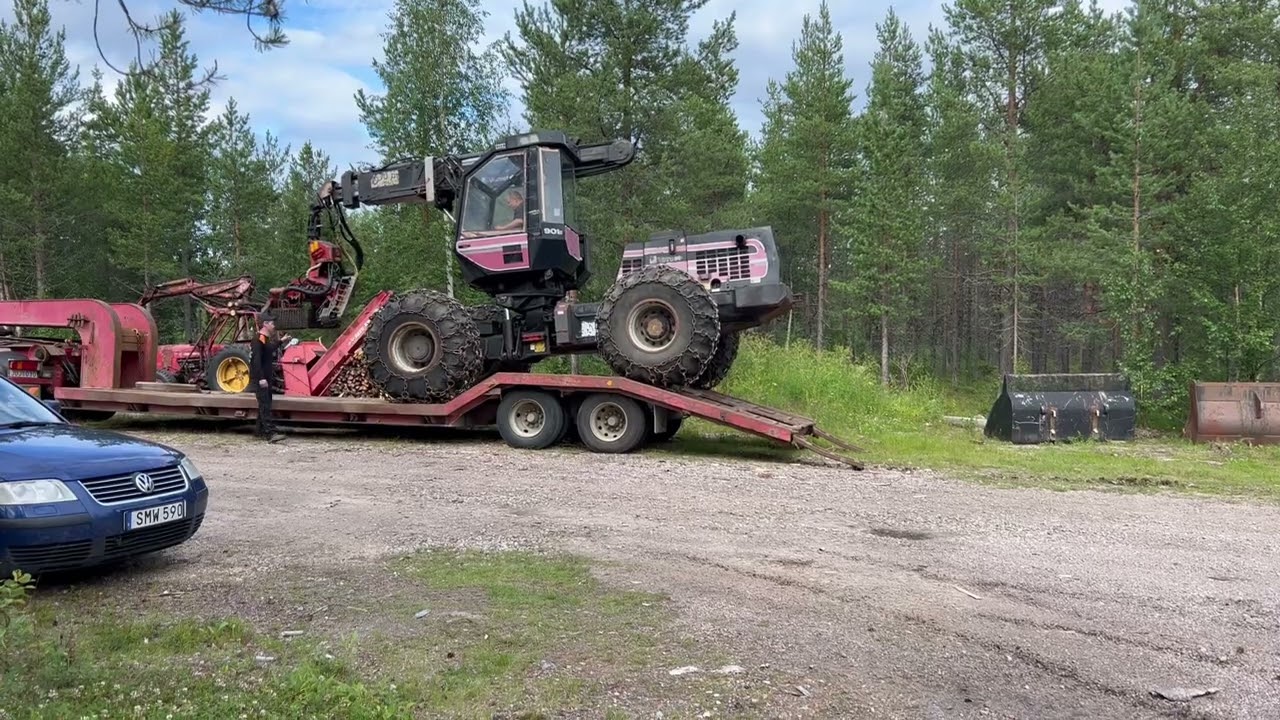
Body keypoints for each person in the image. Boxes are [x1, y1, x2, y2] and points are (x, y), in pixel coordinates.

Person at [250, 317, 288, 442]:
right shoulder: (257, 340)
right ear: (265, 324)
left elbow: (269, 349)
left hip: (266, 377)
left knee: (265, 403)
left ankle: (259, 431)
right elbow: (256, 361)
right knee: (265, 404)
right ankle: (270, 434)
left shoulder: (264, 339)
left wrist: (281, 341)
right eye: (272, 323)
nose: (274, 326)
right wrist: (261, 378)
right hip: (261, 378)